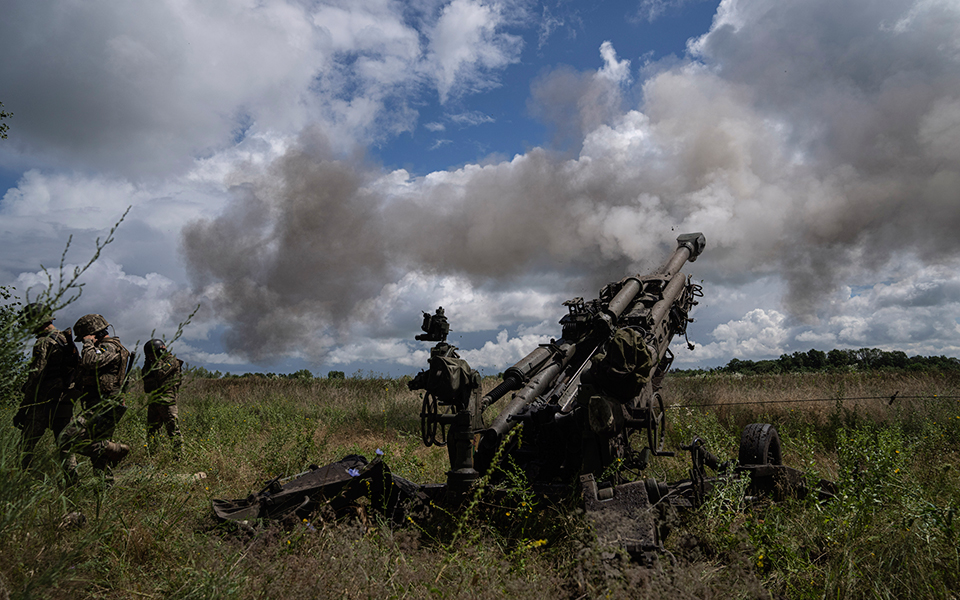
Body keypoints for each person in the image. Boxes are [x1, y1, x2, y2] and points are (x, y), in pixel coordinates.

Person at [57, 313, 131, 476]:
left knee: (65, 438)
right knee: (99, 456)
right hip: (103, 405)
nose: (84, 341)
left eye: (85, 336)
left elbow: (91, 361)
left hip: (103, 406)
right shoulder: (107, 347)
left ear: (94, 333)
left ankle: (115, 449)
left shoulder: (108, 347)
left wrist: (88, 343)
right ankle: (105, 487)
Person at [13, 303, 79, 482]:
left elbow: (36, 376)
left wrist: (23, 408)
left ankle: (29, 482)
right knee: (65, 445)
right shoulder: (66, 339)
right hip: (64, 399)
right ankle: (73, 481)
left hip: (44, 402)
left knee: (25, 447)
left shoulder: (43, 342)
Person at [142, 339, 184, 457]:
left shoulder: (171, 361)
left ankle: (178, 457)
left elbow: (160, 373)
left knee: (173, 430)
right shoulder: (151, 362)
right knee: (152, 430)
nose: (150, 358)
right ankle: (152, 455)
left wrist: (157, 359)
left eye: (151, 355)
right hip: (155, 400)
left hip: (167, 401)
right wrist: (147, 362)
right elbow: (144, 374)